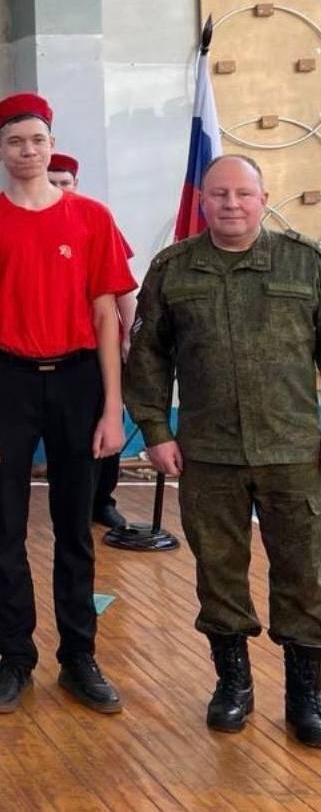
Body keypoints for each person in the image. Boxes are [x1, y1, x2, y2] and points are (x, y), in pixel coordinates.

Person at [124, 154, 321, 745]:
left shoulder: (305, 262)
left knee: (306, 573)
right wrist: (155, 432)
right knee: (219, 572)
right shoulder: (174, 269)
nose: (231, 204)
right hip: (208, 454)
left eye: (242, 193)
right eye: (218, 194)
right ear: (202, 201)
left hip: (294, 453)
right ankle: (233, 684)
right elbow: (148, 357)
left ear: (263, 199)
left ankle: (306, 694)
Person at [0, 93, 134, 715]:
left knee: (74, 527)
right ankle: (14, 655)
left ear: (51, 143)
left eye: (37, 139)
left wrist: (112, 408)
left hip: (78, 381)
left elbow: (107, 318)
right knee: (5, 526)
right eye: (15, 142)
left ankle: (79, 655)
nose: (28, 151)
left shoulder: (91, 218)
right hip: (6, 382)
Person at [47, 151, 136, 530]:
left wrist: (131, 335)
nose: (58, 188)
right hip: (54, 347)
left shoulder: (94, 218)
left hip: (98, 344)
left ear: (76, 184)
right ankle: (73, 505)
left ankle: (102, 500)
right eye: (52, 182)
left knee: (106, 421)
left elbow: (122, 286)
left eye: (64, 183)